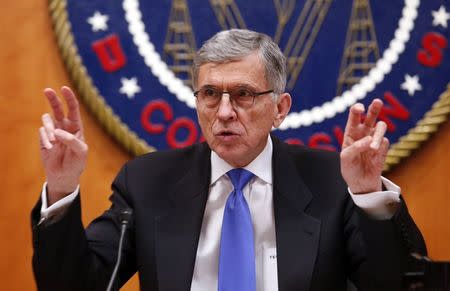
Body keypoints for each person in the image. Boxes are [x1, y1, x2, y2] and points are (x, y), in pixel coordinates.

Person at [32, 29, 426, 291]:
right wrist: (62, 188)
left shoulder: (331, 183)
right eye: (209, 94)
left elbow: (397, 284)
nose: (223, 112)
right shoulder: (148, 182)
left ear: (280, 108)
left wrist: (369, 194)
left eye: (243, 94)